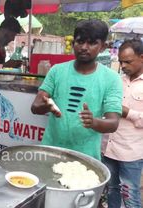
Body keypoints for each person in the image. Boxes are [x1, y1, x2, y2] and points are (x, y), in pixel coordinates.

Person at [30, 19, 123, 160]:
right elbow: (35, 107)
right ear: (73, 43)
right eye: (80, 42)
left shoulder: (112, 78)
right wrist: (47, 106)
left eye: (92, 43)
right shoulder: (57, 71)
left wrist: (94, 122)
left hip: (85, 158)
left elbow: (113, 123)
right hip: (50, 151)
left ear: (103, 47)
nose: (84, 47)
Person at [102, 39, 143, 208]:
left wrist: (127, 112)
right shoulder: (117, 81)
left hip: (130, 153)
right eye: (120, 61)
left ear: (142, 58)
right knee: (112, 190)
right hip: (108, 147)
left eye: (128, 61)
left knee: (130, 194)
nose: (123, 65)